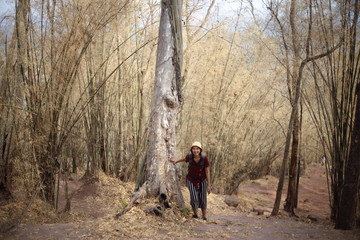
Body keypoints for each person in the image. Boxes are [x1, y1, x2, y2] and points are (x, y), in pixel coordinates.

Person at [170, 141, 211, 221]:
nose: (196, 150)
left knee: (203, 198)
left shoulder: (204, 158)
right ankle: (195, 214)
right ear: (192, 150)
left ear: (200, 150)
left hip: (202, 180)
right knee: (194, 197)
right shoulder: (189, 157)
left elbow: (207, 171)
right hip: (191, 179)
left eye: (197, 149)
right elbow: (184, 159)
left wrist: (209, 185)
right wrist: (176, 161)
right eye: (194, 149)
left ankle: (204, 215)